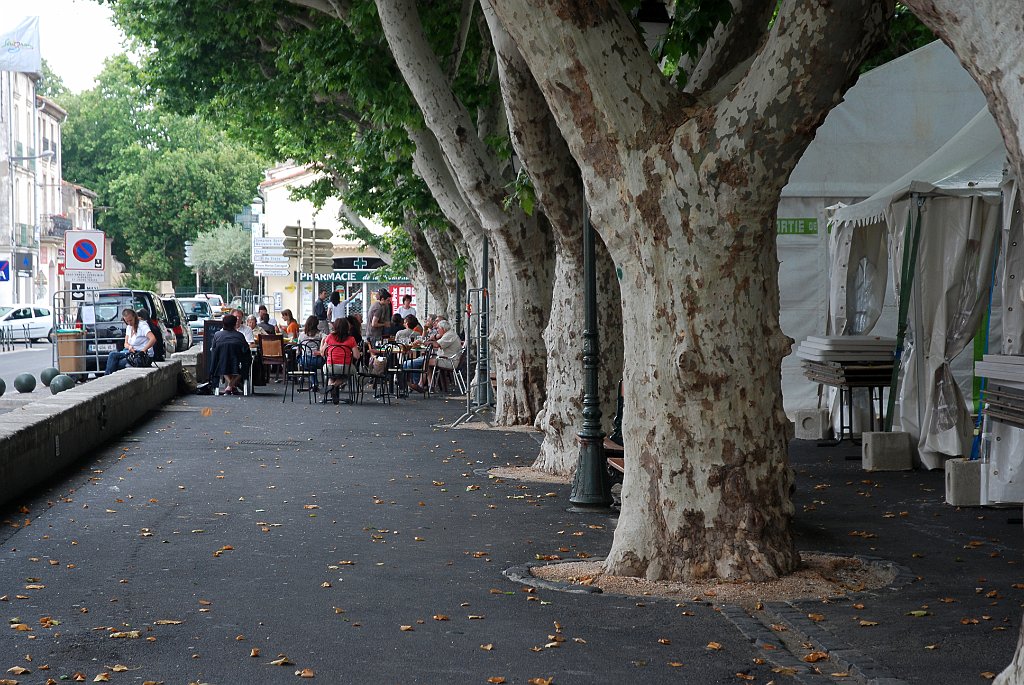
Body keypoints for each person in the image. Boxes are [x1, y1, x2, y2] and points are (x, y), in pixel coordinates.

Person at [409, 319, 461, 393]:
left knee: (426, 361)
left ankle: (422, 384)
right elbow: (437, 342)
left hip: (450, 361)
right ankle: (430, 386)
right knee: (428, 361)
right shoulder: (448, 334)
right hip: (448, 359)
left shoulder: (449, 335)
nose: (437, 330)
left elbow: (437, 344)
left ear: (443, 329)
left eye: (438, 329)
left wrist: (423, 342)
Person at [208, 313, 251, 395]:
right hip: (237, 362)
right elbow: (246, 350)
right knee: (246, 365)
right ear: (235, 324)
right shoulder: (240, 336)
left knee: (221, 364)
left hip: (221, 362)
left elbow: (213, 349)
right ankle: (232, 386)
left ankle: (230, 386)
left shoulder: (217, 335)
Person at [320, 317, 360, 404]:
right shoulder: (351, 339)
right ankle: (334, 386)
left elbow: (322, 353)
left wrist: (322, 343)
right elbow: (357, 356)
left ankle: (331, 386)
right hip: (345, 367)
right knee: (349, 374)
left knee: (330, 375)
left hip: (330, 367)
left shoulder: (329, 337)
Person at [105, 308, 157, 375]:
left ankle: (108, 377)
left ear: (135, 317)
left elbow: (153, 339)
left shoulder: (142, 326)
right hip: (131, 352)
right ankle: (108, 377)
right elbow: (125, 343)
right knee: (112, 355)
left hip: (141, 354)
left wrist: (143, 350)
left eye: (131, 320)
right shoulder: (129, 327)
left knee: (117, 363)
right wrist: (129, 347)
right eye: (127, 321)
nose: (129, 323)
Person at [297, 315, 325, 392]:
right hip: (318, 360)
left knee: (307, 363)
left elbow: (299, 349)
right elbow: (328, 339)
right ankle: (315, 384)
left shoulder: (302, 335)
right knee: (313, 365)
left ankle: (313, 383)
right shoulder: (320, 335)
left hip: (305, 360)